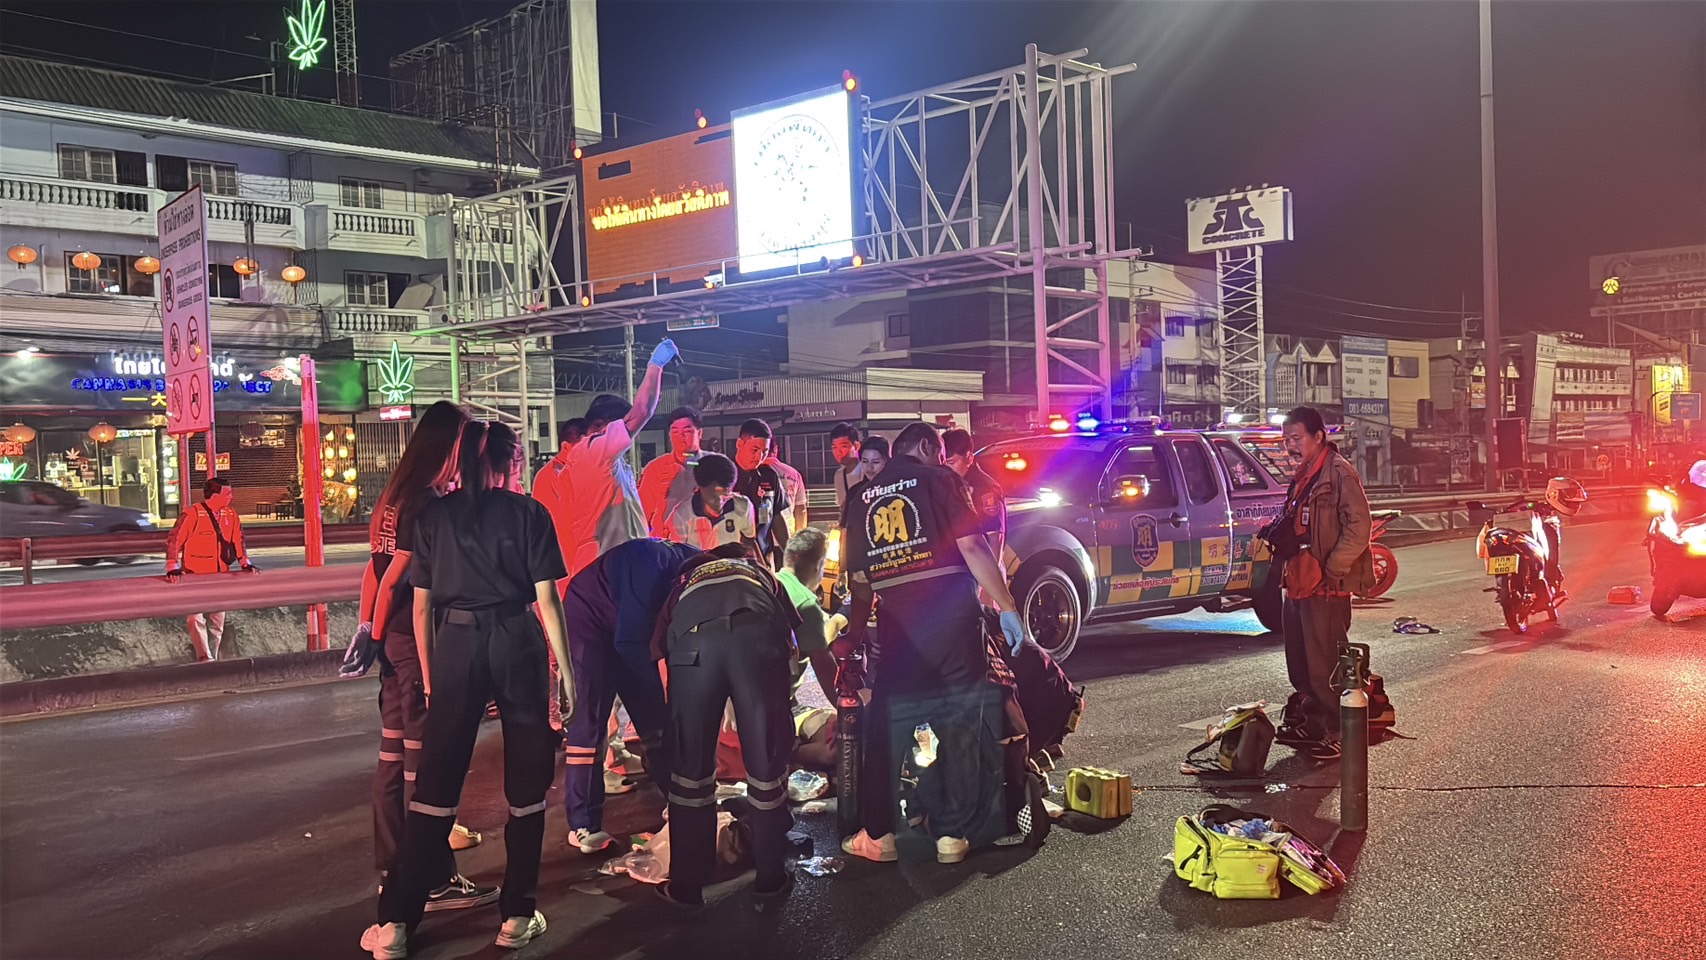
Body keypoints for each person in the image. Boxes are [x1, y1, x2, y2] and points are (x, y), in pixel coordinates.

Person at [361, 420, 573, 960]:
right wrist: (566, 673)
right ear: (511, 462)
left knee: (435, 784)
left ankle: (396, 924)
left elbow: (422, 606)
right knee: (526, 782)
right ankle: (517, 915)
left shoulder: (436, 516)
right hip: (516, 638)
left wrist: (433, 678)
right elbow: (548, 600)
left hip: (456, 643)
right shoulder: (529, 513)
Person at [839, 422, 1025, 865]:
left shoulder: (861, 497)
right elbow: (973, 547)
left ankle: (880, 836)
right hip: (954, 617)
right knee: (959, 719)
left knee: (888, 724)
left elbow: (860, 582)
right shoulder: (942, 479)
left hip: (898, 625)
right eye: (940, 452)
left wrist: (853, 636)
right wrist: (1007, 606)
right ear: (925, 447)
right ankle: (951, 836)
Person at [340, 400, 496, 912]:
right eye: (466, 448)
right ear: (449, 447)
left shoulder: (393, 497)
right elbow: (402, 584)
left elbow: (375, 571)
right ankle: (429, 880)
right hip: (417, 644)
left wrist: (369, 628)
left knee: (391, 760)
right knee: (423, 769)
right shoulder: (428, 505)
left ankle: (396, 870)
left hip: (394, 644)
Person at [651, 544, 803, 911]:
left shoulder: (683, 582)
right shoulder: (758, 572)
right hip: (756, 643)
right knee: (766, 763)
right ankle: (770, 877)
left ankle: (687, 885)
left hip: (691, 649)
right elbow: (792, 646)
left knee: (690, 772)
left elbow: (659, 651)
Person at [559, 536, 702, 853]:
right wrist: (663, 702)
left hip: (628, 624)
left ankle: (680, 801)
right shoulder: (649, 564)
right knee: (590, 719)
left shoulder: (698, 571)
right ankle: (583, 824)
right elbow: (630, 644)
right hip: (590, 619)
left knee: (656, 721)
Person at [1266, 406, 1373, 762]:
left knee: (1324, 663)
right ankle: (1311, 723)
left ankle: (1334, 732)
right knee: (1299, 662)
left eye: (1296, 438)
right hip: (1297, 583)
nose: (1290, 446)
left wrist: (1333, 568)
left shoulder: (1339, 474)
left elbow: (1359, 527)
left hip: (1325, 586)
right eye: (1286, 440)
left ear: (1318, 437)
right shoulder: (1303, 476)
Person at [559, 338, 678, 577]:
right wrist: (656, 364)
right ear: (602, 426)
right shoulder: (593, 450)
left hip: (616, 565)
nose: (631, 432)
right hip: (607, 568)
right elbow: (642, 411)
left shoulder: (600, 459)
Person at [164, 477, 256, 662]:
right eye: (227, 493)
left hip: (219, 575)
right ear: (214, 495)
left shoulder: (230, 515)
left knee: (217, 620)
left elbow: (238, 539)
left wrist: (245, 562)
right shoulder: (193, 514)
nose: (231, 496)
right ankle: (204, 657)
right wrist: (172, 565)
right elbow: (175, 539)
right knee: (195, 618)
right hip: (194, 575)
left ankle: (211, 656)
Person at [656, 452, 758, 552]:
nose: (720, 501)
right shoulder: (681, 516)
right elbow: (677, 554)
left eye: (725, 495)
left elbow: (749, 540)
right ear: (699, 487)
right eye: (713, 496)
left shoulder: (743, 506)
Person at [731, 418, 792, 567]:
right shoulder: (725, 476)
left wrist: (791, 555)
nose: (759, 457)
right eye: (754, 450)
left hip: (765, 559)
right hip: (734, 561)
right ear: (740, 444)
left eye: (764, 452)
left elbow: (776, 516)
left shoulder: (769, 476)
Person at [942, 428, 1007, 567]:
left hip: (982, 565)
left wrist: (989, 576)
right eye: (943, 463)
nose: (946, 468)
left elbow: (994, 537)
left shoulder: (985, 488)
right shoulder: (950, 485)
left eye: (951, 463)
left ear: (969, 458)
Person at [638, 406, 704, 533]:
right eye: (675, 431)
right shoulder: (655, 468)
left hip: (704, 536)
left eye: (687, 431)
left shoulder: (713, 463)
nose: (681, 436)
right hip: (665, 539)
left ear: (700, 433)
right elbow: (643, 512)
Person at [765, 448, 810, 538]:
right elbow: (801, 508)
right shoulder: (793, 473)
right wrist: (799, 538)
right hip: (787, 533)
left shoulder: (754, 472)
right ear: (775, 449)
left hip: (762, 535)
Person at [829, 422, 865, 518]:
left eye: (844, 446)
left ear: (856, 446)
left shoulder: (867, 470)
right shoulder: (839, 475)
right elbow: (842, 507)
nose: (838, 452)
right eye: (834, 447)